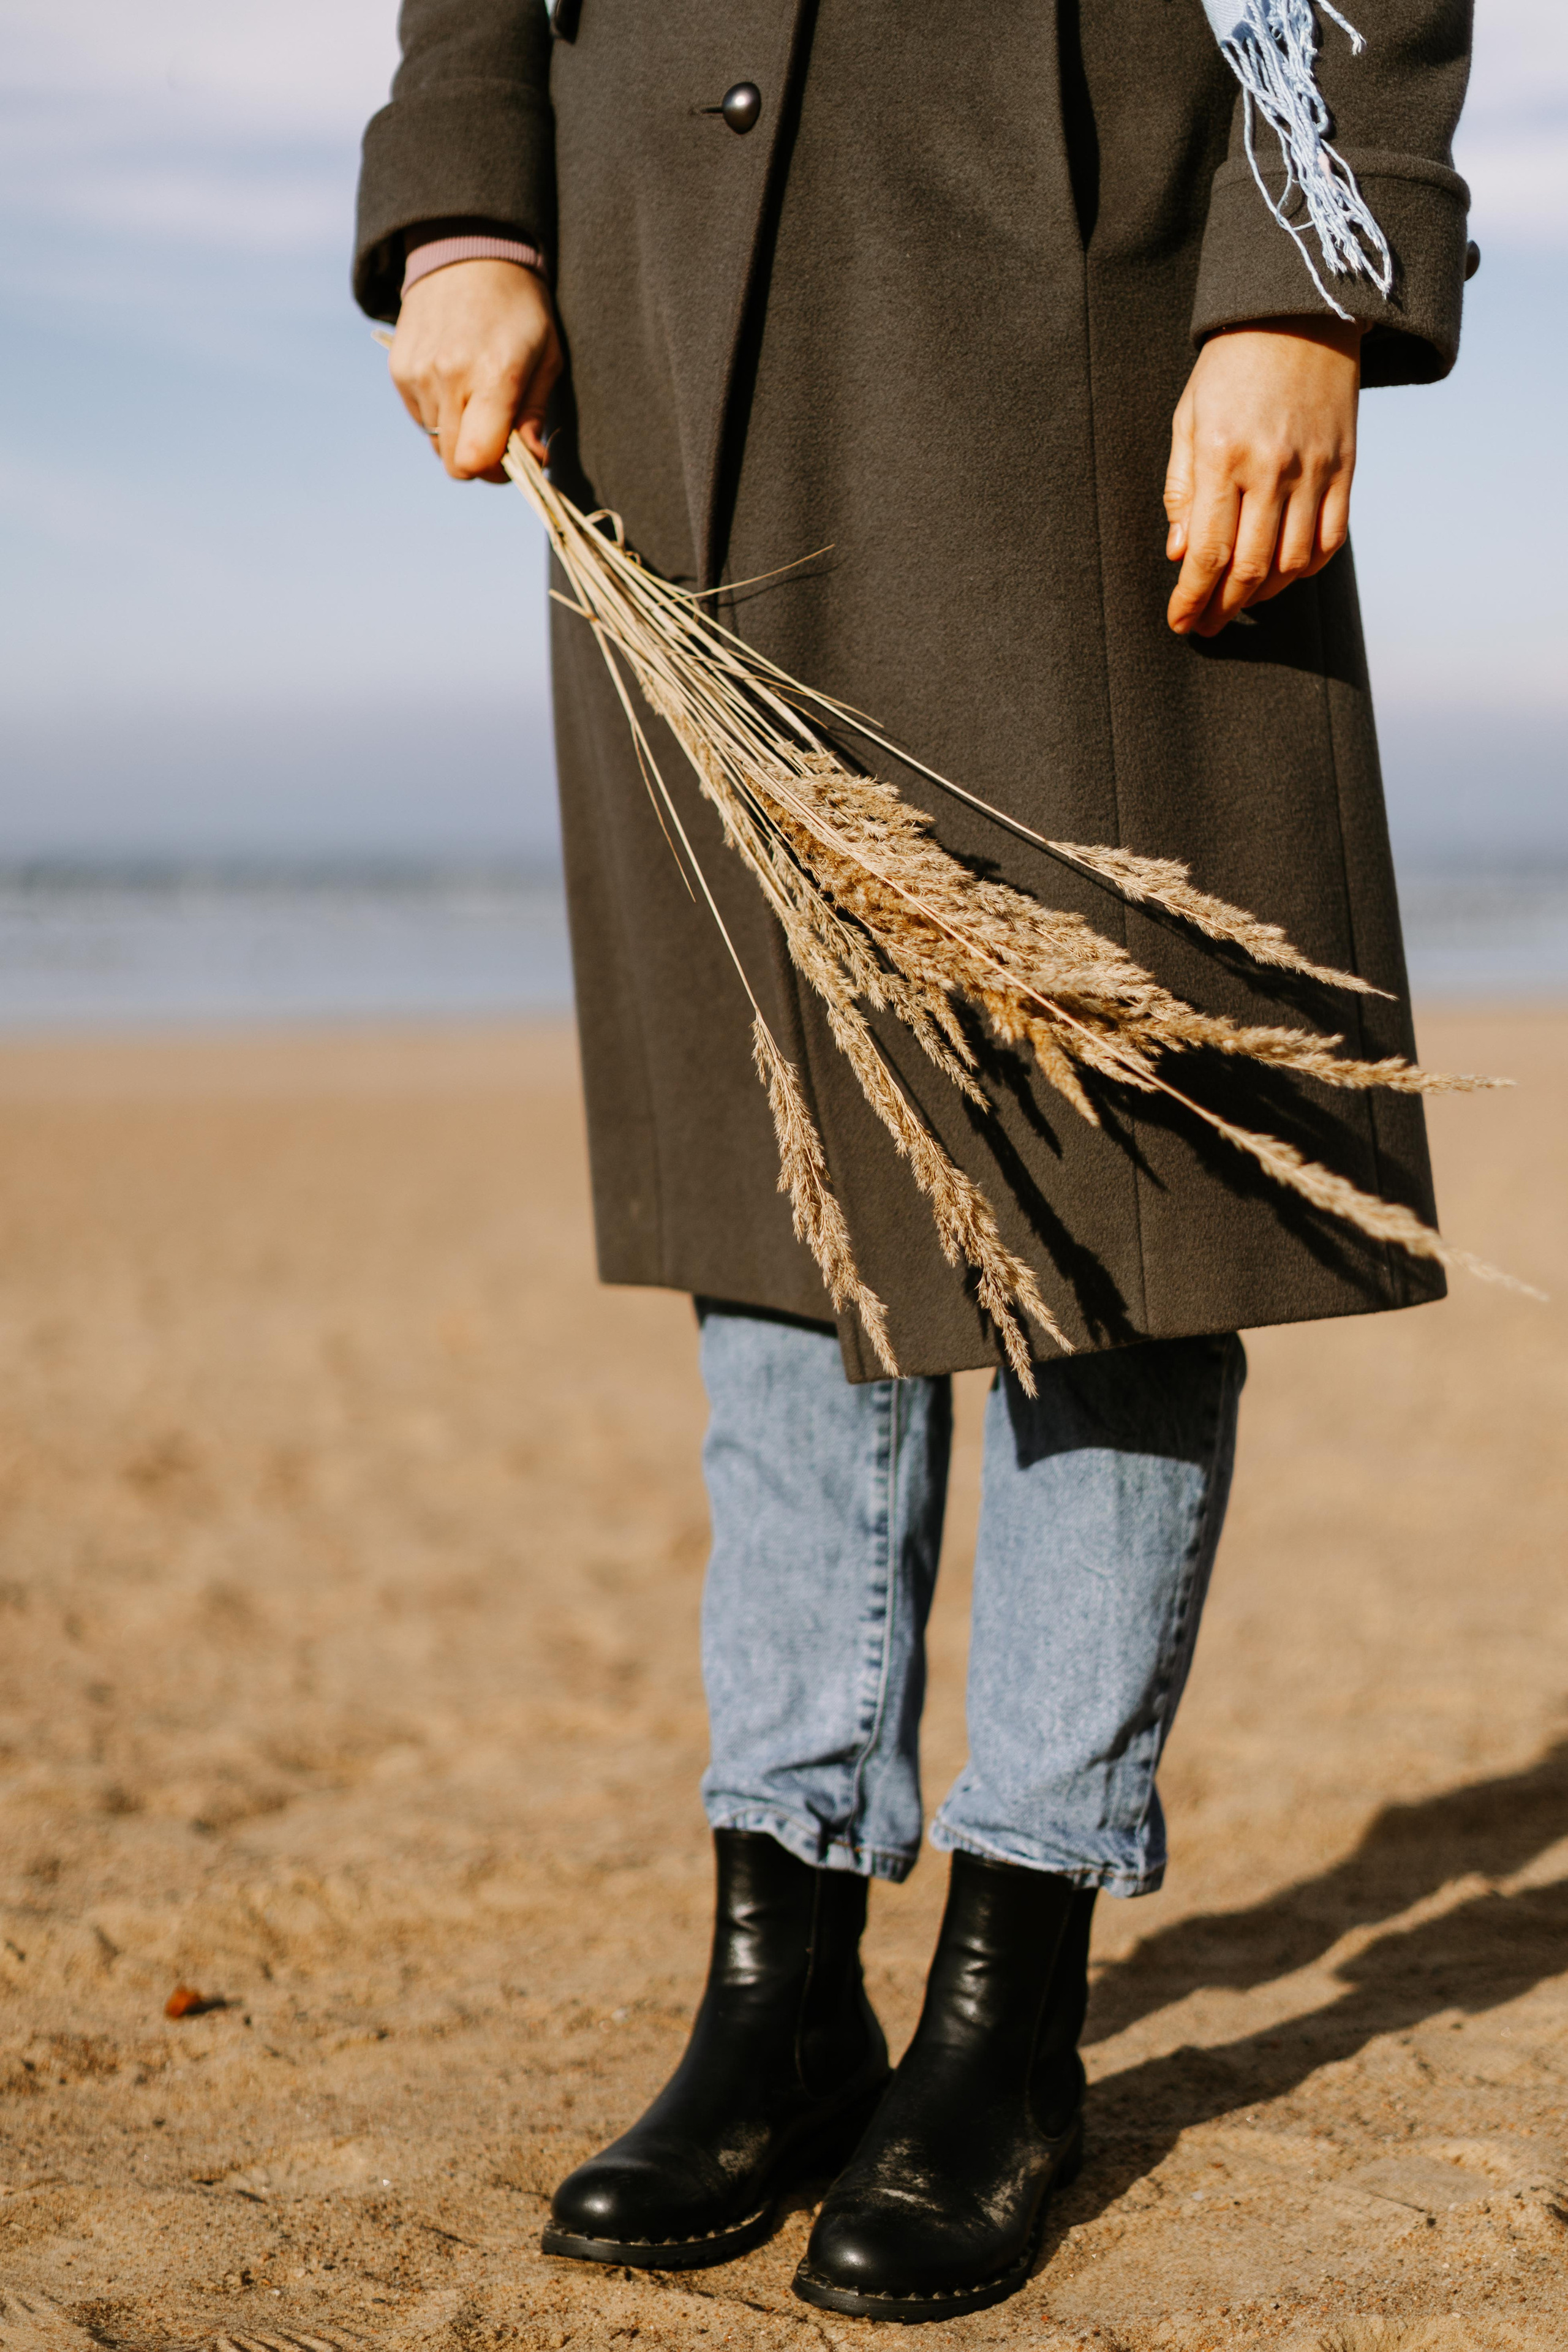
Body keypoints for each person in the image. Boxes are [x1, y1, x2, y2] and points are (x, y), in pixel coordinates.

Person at [355, 0, 1474, 2322]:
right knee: (780, 1162)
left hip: (1116, 246)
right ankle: (782, 1972)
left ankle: (1014, 1997)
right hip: (694, 264)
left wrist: (1309, 262)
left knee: (1116, 1170)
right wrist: (465, 191)